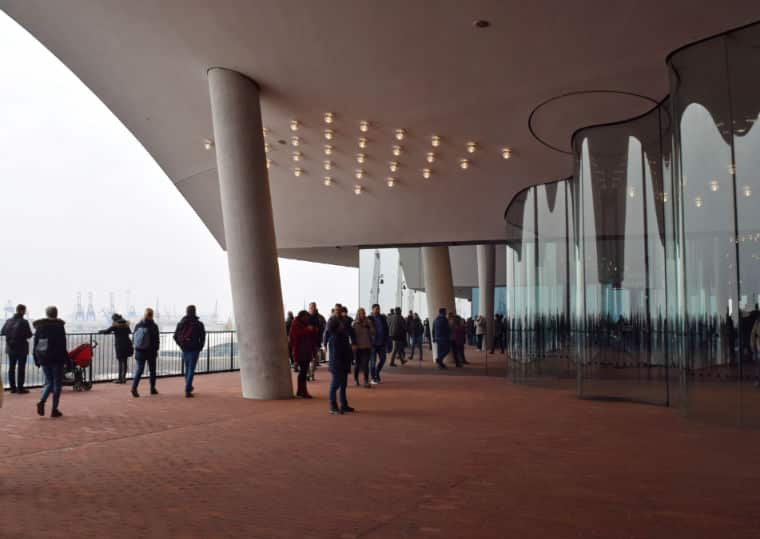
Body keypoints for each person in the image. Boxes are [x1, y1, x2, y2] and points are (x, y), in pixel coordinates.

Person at [33, 306, 68, 418]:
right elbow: (63, 345)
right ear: (56, 314)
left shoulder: (40, 327)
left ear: (47, 314)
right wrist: (66, 359)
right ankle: (54, 410)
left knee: (49, 382)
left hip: (44, 358)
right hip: (57, 359)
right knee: (57, 384)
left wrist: (36, 359)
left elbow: (36, 344)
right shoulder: (59, 327)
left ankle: (42, 401)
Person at [326, 303, 355, 414]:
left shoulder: (345, 324)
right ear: (334, 311)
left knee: (343, 383)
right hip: (336, 361)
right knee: (336, 383)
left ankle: (344, 405)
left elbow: (350, 331)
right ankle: (333, 406)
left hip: (344, 359)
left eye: (340, 310)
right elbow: (329, 332)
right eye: (336, 310)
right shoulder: (332, 326)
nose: (338, 312)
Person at [174, 305, 206, 398]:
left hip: (185, 349)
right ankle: (187, 389)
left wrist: (181, 345)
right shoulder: (199, 324)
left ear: (186, 311)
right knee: (191, 369)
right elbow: (203, 337)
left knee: (187, 368)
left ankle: (189, 386)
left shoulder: (181, 323)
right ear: (195, 311)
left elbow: (175, 336)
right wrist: (200, 347)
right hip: (194, 350)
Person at [1, 304, 33, 394]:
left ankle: (12, 388)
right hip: (21, 348)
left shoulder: (8, 321)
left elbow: (2, 332)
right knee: (21, 368)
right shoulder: (24, 322)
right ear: (22, 311)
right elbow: (29, 334)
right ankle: (20, 388)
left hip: (11, 348)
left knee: (11, 367)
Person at [131, 308, 160, 397]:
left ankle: (134, 388)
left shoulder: (138, 325)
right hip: (151, 352)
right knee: (152, 371)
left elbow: (133, 339)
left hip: (140, 351)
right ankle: (152, 389)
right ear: (152, 315)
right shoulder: (154, 326)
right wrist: (156, 350)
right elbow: (156, 340)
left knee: (139, 370)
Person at [99, 313, 133, 384]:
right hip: (127, 344)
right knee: (125, 362)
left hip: (120, 345)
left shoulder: (116, 325)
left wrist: (100, 331)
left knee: (121, 362)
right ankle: (123, 378)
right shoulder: (126, 325)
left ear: (114, 319)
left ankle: (120, 379)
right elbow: (129, 332)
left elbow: (106, 331)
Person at [289, 310, 316, 398]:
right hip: (300, 351)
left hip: (305, 351)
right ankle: (303, 391)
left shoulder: (302, 324)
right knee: (303, 372)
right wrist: (308, 330)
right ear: (302, 317)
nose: (307, 319)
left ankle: (300, 391)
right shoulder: (296, 324)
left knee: (303, 372)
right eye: (306, 317)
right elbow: (296, 336)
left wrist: (312, 330)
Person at [352, 308, 374, 387]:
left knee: (365, 364)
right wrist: (353, 345)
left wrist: (369, 327)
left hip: (367, 346)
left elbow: (373, 332)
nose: (362, 315)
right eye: (361, 313)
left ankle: (366, 381)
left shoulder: (368, 322)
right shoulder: (354, 324)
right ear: (358, 314)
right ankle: (356, 379)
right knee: (357, 364)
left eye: (363, 313)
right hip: (358, 347)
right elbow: (352, 336)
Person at [368, 303, 389, 384]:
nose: (377, 310)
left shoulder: (383, 318)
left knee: (383, 359)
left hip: (381, 343)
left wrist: (387, 339)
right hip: (372, 344)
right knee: (372, 362)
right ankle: (373, 378)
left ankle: (377, 372)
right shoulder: (369, 318)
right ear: (372, 310)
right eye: (376, 309)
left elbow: (386, 329)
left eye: (378, 309)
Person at [307, 302, 326, 381]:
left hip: (316, 341)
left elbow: (325, 328)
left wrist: (321, 336)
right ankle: (309, 374)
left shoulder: (320, 317)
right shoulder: (306, 317)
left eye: (313, 307)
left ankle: (311, 373)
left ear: (315, 307)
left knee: (315, 359)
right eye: (310, 307)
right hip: (307, 341)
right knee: (308, 359)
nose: (311, 309)